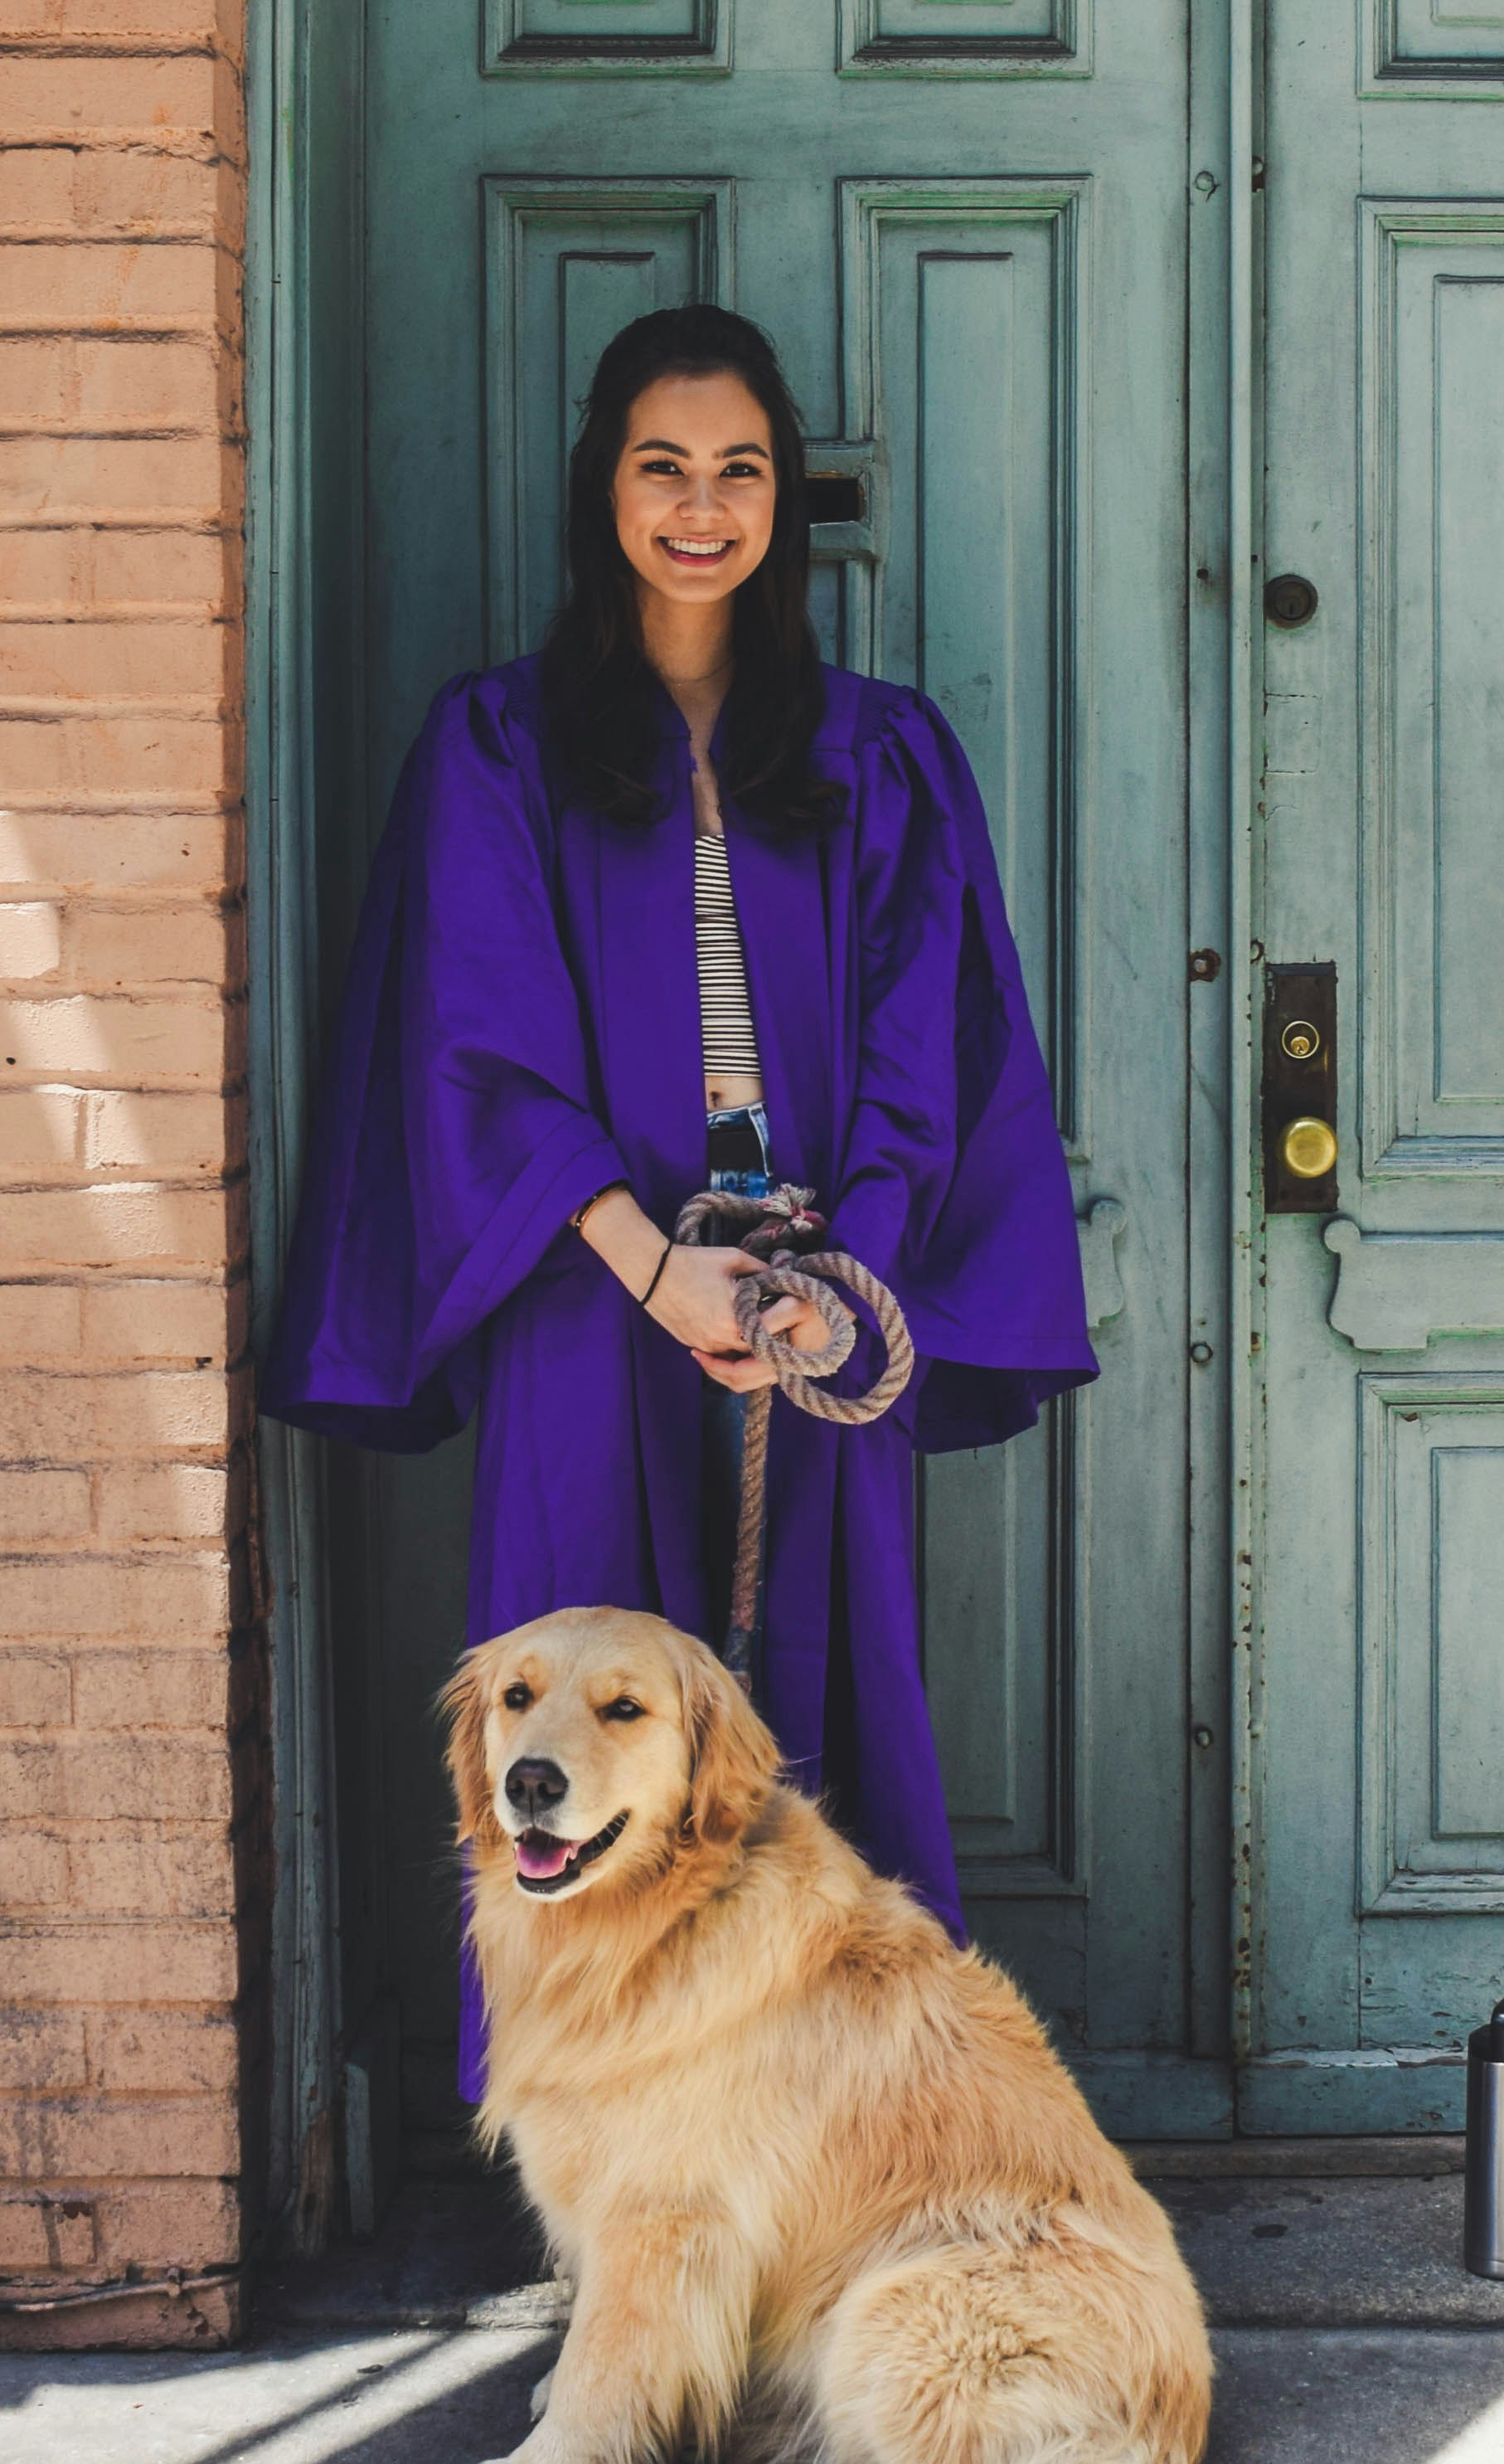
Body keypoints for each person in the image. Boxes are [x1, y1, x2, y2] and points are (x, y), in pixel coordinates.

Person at [264, 305, 1096, 2097]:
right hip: (590, 1301)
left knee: (822, 1709)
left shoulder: (881, 753)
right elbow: (476, 1046)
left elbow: (917, 1046)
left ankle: (831, 2135)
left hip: (812, 1302)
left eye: (739, 470)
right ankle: (606, 2166)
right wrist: (659, 1274)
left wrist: (823, 1280)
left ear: (783, 499)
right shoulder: (498, 745)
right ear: (605, 488)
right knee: (577, 1737)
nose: (701, 505)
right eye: (662, 465)